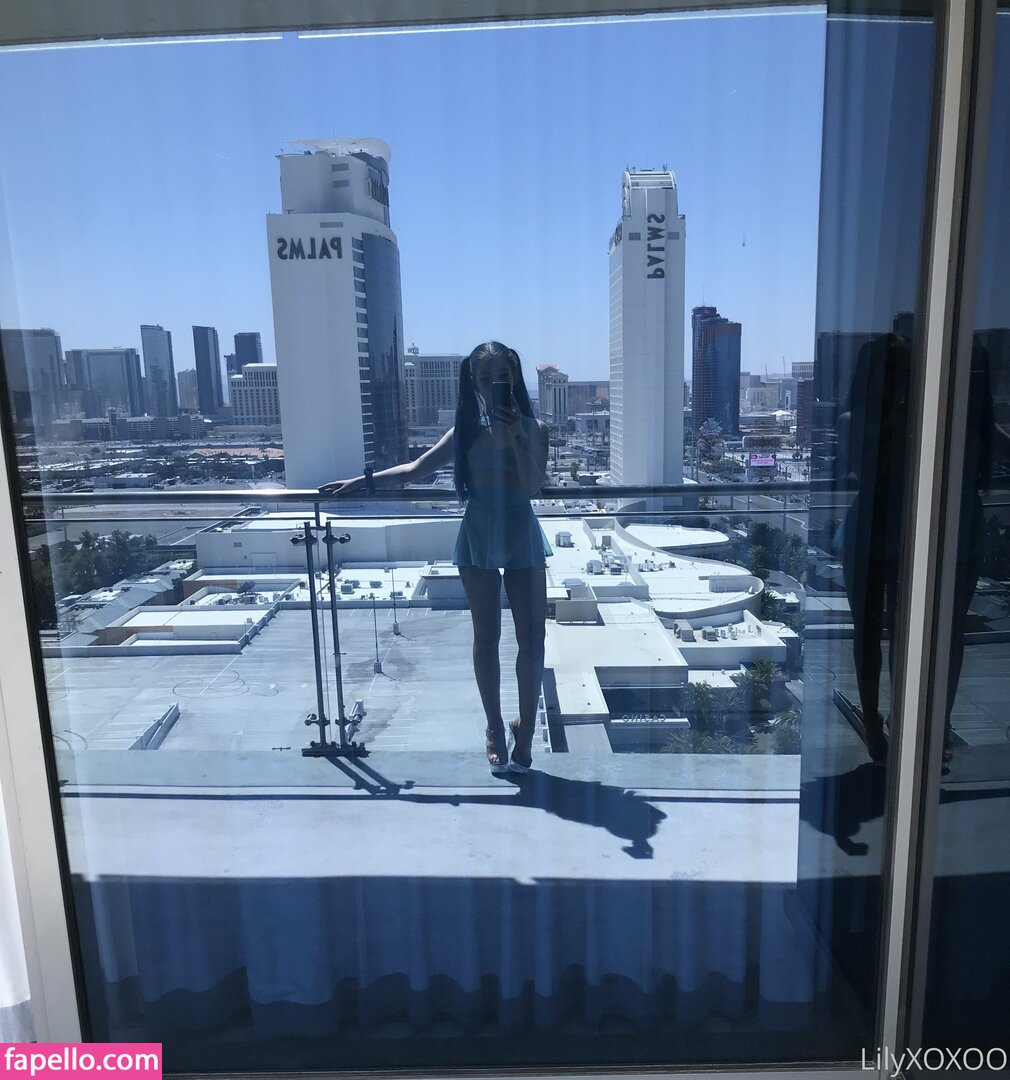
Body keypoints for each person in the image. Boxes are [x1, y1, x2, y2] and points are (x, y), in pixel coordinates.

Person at [320, 341, 552, 776]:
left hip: (521, 532)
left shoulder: (535, 428)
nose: (495, 383)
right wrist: (361, 482)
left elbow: (531, 486)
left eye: (503, 376)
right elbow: (414, 470)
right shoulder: (465, 431)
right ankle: (494, 727)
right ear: (474, 384)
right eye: (486, 378)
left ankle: (525, 733)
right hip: (479, 533)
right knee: (486, 637)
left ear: (515, 378)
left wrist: (518, 437)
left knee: (533, 640)